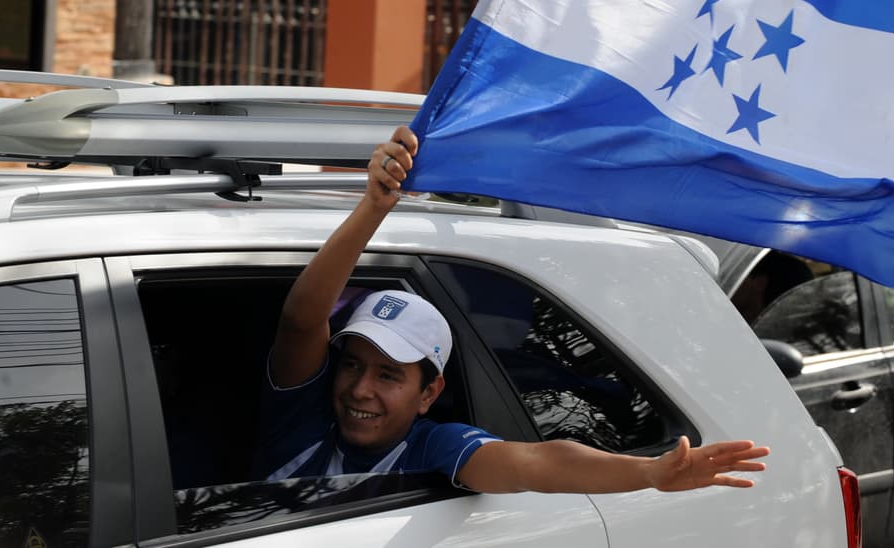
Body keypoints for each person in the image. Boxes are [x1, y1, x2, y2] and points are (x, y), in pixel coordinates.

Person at [252, 125, 770, 494]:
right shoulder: (302, 416)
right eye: (351, 364)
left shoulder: (430, 448)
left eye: (389, 374)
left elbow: (535, 463)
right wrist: (373, 207)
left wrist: (649, 474)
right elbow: (302, 318)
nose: (361, 389)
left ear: (429, 393)